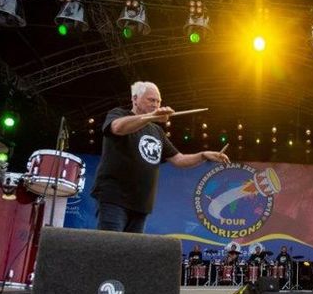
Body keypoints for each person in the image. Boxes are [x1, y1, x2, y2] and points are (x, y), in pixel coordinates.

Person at [91, 81, 229, 233]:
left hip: (141, 204)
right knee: (110, 248)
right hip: (114, 198)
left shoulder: (156, 131)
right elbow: (117, 128)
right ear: (135, 99)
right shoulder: (119, 114)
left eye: (158, 101)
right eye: (151, 100)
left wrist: (203, 155)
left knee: (131, 252)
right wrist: (151, 116)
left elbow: (179, 160)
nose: (156, 104)